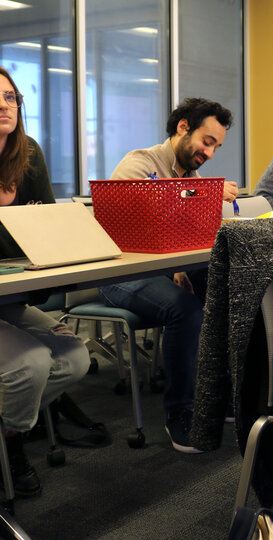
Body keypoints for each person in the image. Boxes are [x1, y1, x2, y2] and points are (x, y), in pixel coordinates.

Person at [99, 97, 235, 453]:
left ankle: (216, 394)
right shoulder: (141, 163)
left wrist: (178, 266)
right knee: (186, 311)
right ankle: (181, 411)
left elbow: (186, 233)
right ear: (183, 128)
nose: (210, 152)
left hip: (159, 271)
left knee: (224, 290)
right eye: (207, 142)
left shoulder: (190, 175)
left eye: (217, 147)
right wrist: (203, 194)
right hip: (117, 274)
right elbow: (134, 220)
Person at [0, 65, 90, 496]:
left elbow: (49, 231)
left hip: (13, 296)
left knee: (75, 357)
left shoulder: (28, 154)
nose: (4, 104)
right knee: (30, 363)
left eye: (10, 97)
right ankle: (12, 446)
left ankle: (8, 429)